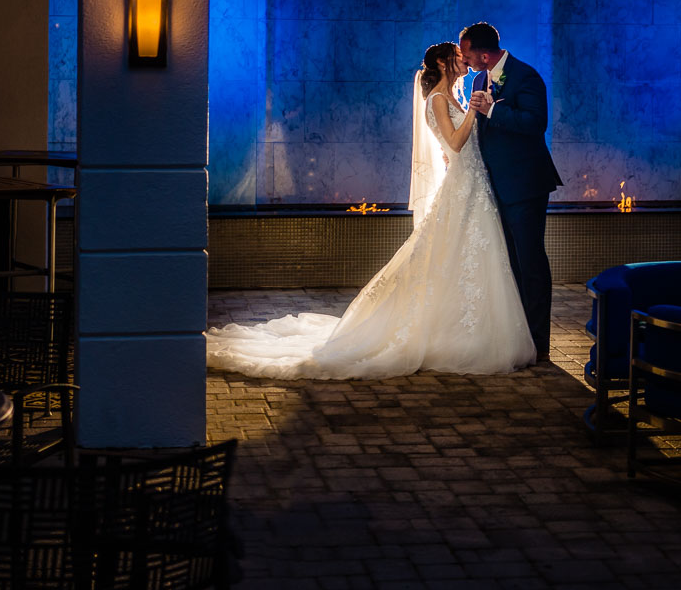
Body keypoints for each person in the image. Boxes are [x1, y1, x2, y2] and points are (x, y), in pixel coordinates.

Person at [205, 42, 535, 379]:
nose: (465, 61)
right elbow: (453, 143)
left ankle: (470, 328)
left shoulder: (458, 95)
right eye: (458, 56)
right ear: (442, 61)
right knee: (451, 257)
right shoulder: (437, 99)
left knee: (467, 258)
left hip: (473, 184)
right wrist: (474, 113)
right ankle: (451, 334)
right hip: (463, 188)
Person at [459, 22, 562, 361]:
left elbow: (536, 124)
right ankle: (515, 339)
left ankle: (538, 344)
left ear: (484, 54)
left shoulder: (525, 77)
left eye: (468, 53)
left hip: (525, 184)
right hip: (493, 186)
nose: (465, 59)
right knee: (508, 264)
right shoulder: (476, 79)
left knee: (529, 261)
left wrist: (493, 109)